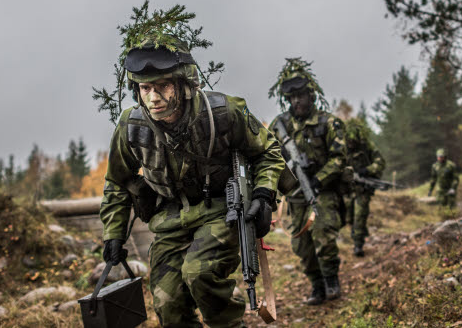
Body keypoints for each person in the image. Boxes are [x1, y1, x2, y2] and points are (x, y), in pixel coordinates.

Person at [98, 35, 286, 327]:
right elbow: (117, 183)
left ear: (184, 85)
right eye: (145, 88)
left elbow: (268, 152)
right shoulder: (131, 126)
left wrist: (263, 195)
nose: (153, 97)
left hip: (221, 210)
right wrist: (113, 234)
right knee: (167, 302)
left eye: (162, 86)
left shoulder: (223, 112)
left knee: (200, 273)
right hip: (169, 220)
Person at [267, 57, 348, 305]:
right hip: (295, 197)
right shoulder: (280, 126)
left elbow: (339, 158)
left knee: (323, 237)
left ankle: (331, 280)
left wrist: (318, 178)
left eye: (301, 96)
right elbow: (267, 157)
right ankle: (317, 285)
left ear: (311, 95)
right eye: (291, 98)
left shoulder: (329, 122)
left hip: (323, 192)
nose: (296, 102)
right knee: (301, 245)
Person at [343, 117, 385, 257]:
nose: (350, 143)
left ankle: (358, 245)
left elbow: (380, 163)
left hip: (363, 189)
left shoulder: (367, 146)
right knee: (349, 218)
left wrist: (367, 170)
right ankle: (359, 234)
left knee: (359, 216)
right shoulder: (341, 147)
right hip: (347, 190)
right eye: (348, 141)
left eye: (353, 141)